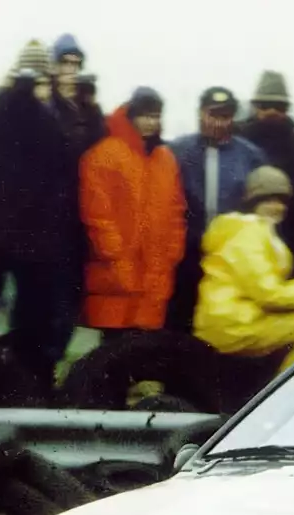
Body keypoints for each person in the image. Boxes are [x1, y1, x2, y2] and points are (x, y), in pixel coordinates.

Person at [0, 55, 81, 371]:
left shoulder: (62, 115)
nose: (33, 89)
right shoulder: (1, 111)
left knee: (36, 317)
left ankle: (33, 378)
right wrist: (4, 92)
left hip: (41, 234)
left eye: (41, 81)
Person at [195, 166, 294, 370]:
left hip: (236, 318)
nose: (276, 207)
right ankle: (286, 395)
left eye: (281, 201)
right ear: (252, 202)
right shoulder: (248, 236)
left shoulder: (249, 230)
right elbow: (269, 294)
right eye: (268, 200)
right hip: (235, 325)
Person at [79, 87, 185, 333]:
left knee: (142, 353)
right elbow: (97, 214)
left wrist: (172, 253)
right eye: (145, 116)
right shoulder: (104, 155)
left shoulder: (165, 159)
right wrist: (115, 257)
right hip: (116, 276)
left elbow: (176, 211)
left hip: (154, 277)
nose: (151, 122)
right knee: (113, 351)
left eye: (156, 116)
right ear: (131, 116)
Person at [166, 87, 266, 330]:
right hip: (185, 253)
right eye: (213, 115)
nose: (219, 123)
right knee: (179, 319)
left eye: (226, 116)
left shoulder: (250, 156)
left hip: (229, 256)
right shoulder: (176, 151)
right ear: (200, 114)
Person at [237, 72, 294, 269]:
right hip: (240, 243)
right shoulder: (236, 142)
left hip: (286, 242)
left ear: (287, 109)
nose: (272, 111)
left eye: (279, 106)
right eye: (265, 105)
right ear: (254, 107)